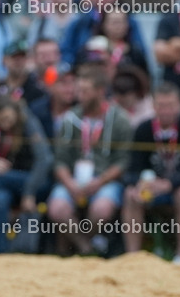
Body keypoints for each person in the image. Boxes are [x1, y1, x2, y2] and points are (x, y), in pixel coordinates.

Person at [48, 65, 134, 256]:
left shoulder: (119, 119)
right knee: (57, 208)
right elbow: (60, 160)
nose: (80, 96)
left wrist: (100, 181)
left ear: (100, 91)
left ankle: (83, 245)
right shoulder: (70, 119)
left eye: (85, 91)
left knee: (101, 209)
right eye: (79, 90)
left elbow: (122, 161)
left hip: (104, 180)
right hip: (74, 180)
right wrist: (70, 184)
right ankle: (86, 247)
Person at [121, 83, 180, 263]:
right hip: (153, 186)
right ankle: (132, 256)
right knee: (131, 195)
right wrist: (139, 183)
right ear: (153, 106)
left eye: (170, 105)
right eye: (161, 105)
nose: (166, 111)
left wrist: (169, 184)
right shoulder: (143, 129)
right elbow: (133, 167)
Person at [0, 96, 52, 254]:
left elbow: (44, 161)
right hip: (7, 183)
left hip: (35, 181)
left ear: (16, 113)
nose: (5, 124)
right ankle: (2, 251)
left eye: (7, 119)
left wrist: (29, 192)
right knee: (1, 198)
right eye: (0, 121)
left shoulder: (29, 123)